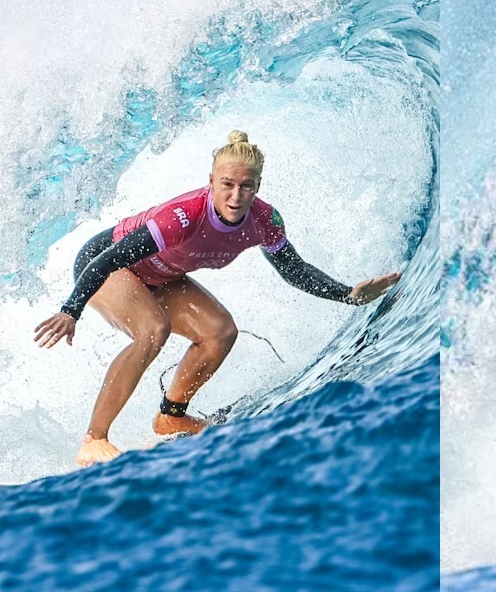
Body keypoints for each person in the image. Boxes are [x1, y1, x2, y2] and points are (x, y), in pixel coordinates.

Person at [33, 131, 401, 467]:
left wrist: (349, 295)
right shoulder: (183, 217)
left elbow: (293, 269)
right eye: (227, 184)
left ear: (257, 187)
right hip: (105, 263)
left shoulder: (264, 220)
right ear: (211, 182)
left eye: (246, 186)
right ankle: (94, 438)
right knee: (153, 330)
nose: (236, 196)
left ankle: (171, 415)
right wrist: (71, 310)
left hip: (161, 275)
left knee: (220, 331)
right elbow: (108, 258)